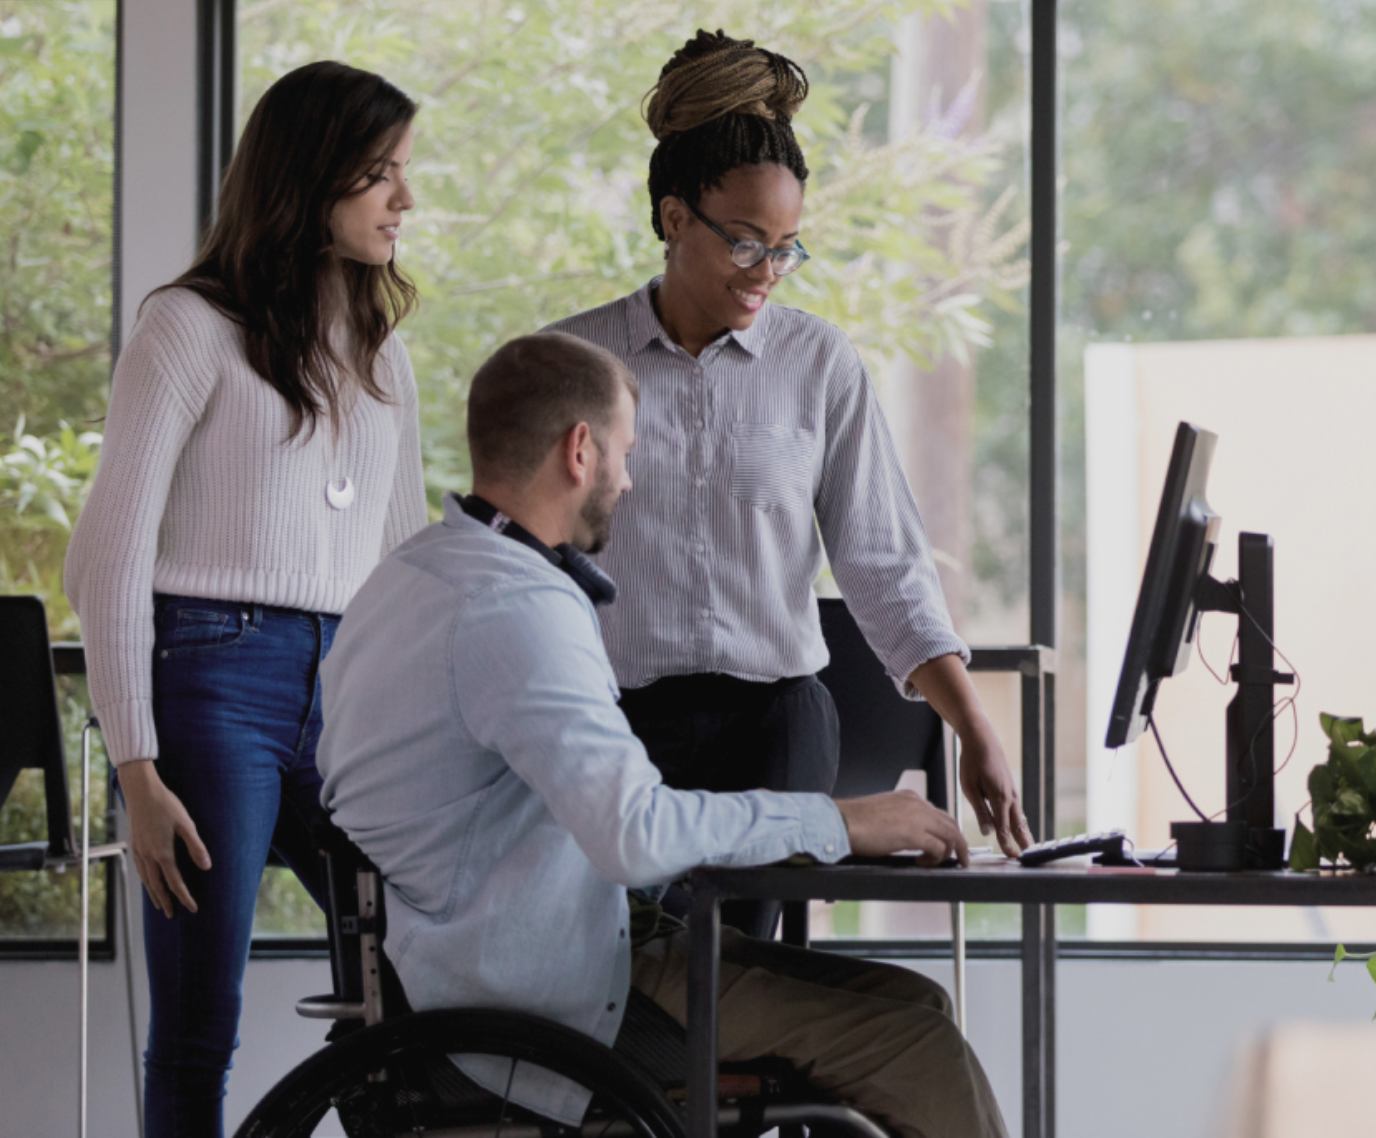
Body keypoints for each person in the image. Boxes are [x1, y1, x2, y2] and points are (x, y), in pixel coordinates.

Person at [316, 330, 1010, 1138]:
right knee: (914, 1040)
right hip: (547, 998)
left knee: (909, 998)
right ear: (581, 450)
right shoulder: (516, 609)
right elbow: (635, 837)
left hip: (480, 956)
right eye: (626, 451)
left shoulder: (408, 578)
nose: (630, 477)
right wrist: (841, 820)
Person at [544, 31, 1032, 936]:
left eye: (786, 247)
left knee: (740, 990)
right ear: (673, 218)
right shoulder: (573, 361)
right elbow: (525, 562)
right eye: (743, 243)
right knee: (619, 980)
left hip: (775, 725)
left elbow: (884, 565)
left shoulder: (817, 364)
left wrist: (975, 731)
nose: (766, 271)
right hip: (611, 725)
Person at [62, 61, 426, 1137]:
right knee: (198, 1020)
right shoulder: (186, 327)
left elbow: (406, 560)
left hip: (355, 688)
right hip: (214, 677)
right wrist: (137, 764)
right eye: (380, 175)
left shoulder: (381, 350)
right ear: (308, 180)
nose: (404, 200)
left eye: (405, 173)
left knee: (416, 966)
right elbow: (110, 555)